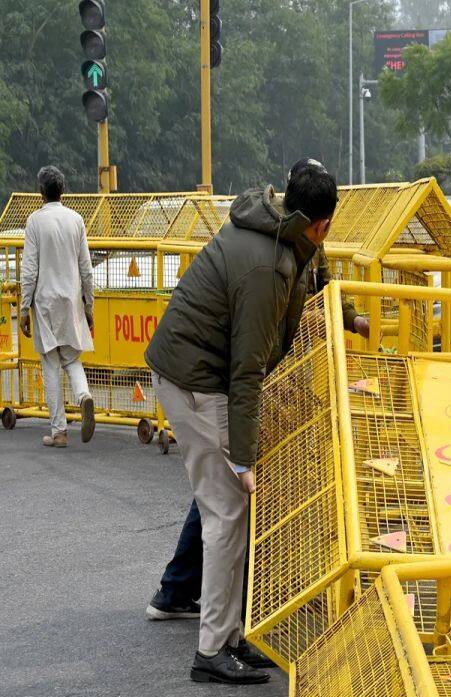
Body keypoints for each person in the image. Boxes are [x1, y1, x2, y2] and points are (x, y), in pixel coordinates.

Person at [145, 159, 367, 623]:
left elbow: (319, 282)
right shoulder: (269, 261)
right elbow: (247, 368)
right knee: (232, 500)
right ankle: (230, 630)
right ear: (321, 222)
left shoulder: (290, 234)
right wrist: (244, 458)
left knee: (223, 494)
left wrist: (352, 319)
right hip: (201, 378)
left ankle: (193, 601)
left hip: (199, 373)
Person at [18, 166, 95, 448]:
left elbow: (29, 271)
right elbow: (86, 269)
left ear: (41, 191)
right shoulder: (76, 220)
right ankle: (84, 395)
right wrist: (89, 306)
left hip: (45, 302)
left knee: (50, 363)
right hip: (71, 300)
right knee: (72, 358)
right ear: (63, 190)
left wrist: (24, 308)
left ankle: (59, 432)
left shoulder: (35, 222)